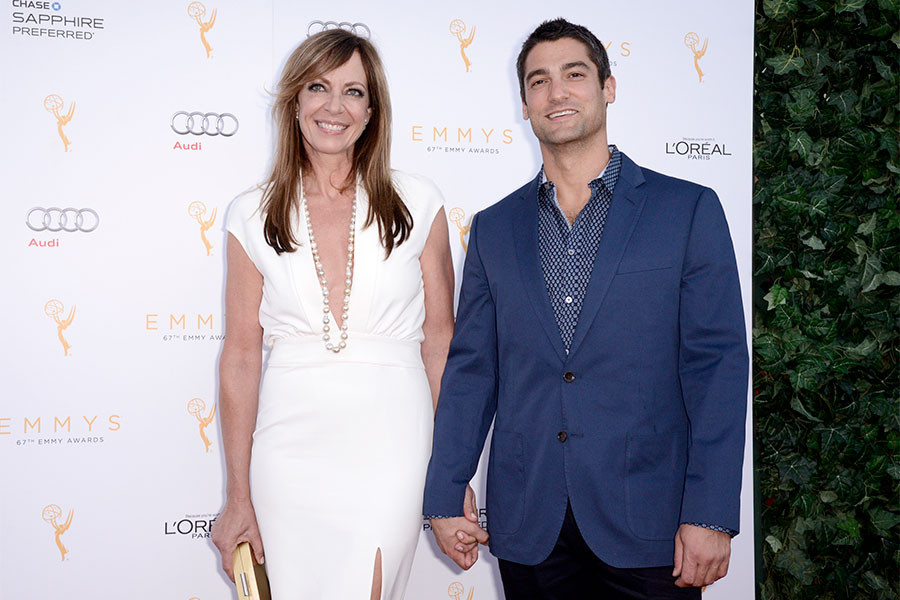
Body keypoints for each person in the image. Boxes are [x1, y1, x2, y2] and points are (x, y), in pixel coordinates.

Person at [423, 18, 748, 599]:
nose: (557, 92)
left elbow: (717, 368)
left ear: (608, 87)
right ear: (524, 103)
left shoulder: (687, 210)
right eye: (539, 81)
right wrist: (445, 490)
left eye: (575, 74)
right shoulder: (495, 229)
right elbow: (474, 369)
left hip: (652, 524)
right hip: (530, 524)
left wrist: (712, 512)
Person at [211, 29, 455, 599]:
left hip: (392, 438)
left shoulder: (420, 203)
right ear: (295, 101)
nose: (334, 106)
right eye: (318, 87)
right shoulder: (249, 214)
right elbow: (242, 356)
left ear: (372, 112)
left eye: (354, 92)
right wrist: (238, 494)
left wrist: (452, 473)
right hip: (288, 446)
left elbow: (441, 343)